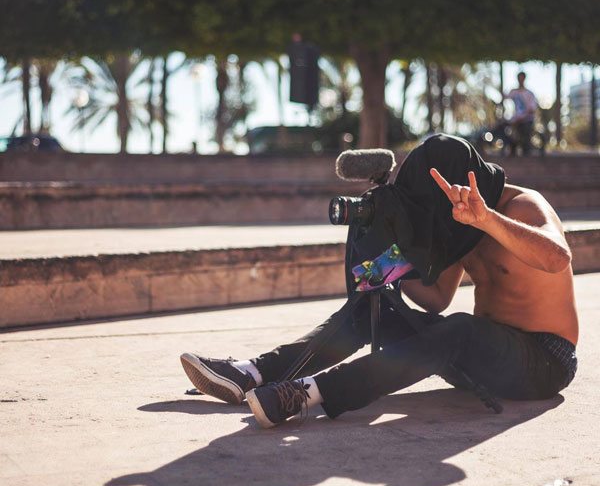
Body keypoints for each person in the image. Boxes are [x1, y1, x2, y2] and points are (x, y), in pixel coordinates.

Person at [180, 135, 578, 428]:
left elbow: (557, 257)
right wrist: (379, 269)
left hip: (543, 363)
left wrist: (488, 219)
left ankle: (309, 394)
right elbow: (438, 298)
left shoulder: (523, 205)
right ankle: (253, 373)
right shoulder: (459, 223)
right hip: (480, 360)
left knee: (460, 329)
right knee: (382, 308)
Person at [506, 71, 539, 155]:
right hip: (517, 120)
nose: (520, 80)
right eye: (519, 78)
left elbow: (532, 109)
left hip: (527, 120)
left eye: (522, 78)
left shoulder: (529, 93)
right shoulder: (514, 92)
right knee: (511, 137)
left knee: (526, 141)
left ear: (524, 79)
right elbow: (505, 96)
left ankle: (526, 156)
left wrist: (522, 117)